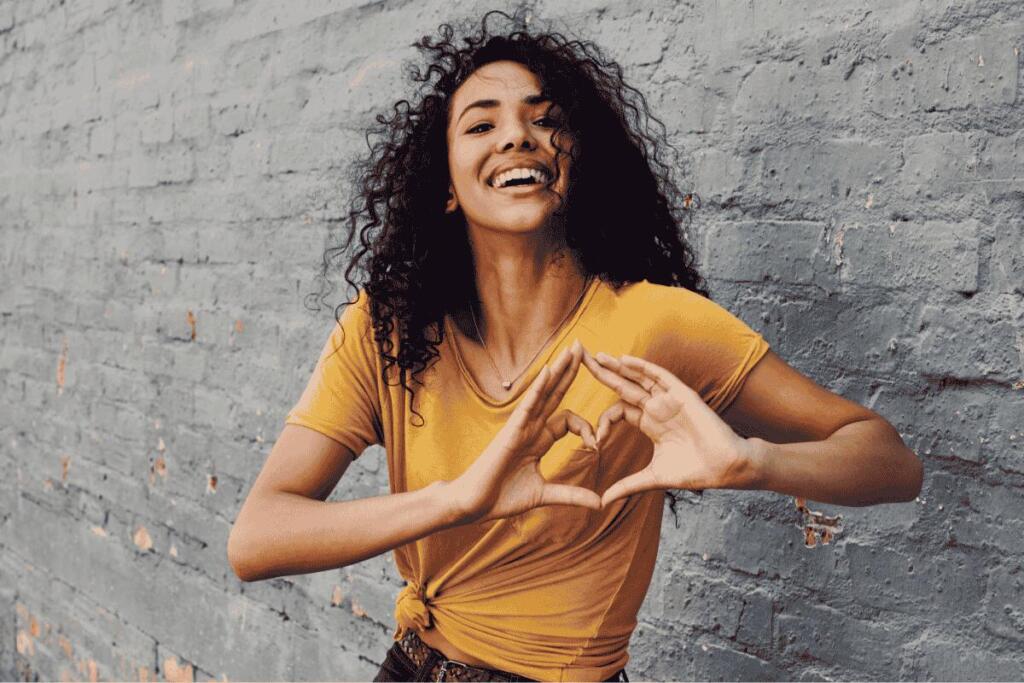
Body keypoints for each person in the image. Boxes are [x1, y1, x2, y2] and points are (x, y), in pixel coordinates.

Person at [227, 10, 924, 682]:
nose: (517, 136)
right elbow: (256, 538)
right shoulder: (392, 328)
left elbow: (891, 462)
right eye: (482, 123)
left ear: (578, 160)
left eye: (545, 119)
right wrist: (459, 498)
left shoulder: (657, 325)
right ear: (444, 184)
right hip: (409, 664)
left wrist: (753, 461)